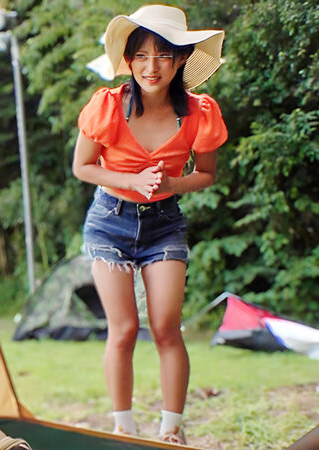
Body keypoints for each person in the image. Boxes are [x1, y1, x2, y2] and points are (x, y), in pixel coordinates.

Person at [72, 5, 227, 444]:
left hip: (164, 224)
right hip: (110, 222)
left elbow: (207, 174)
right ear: (129, 60)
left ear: (180, 59)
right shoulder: (108, 106)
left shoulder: (199, 112)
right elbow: (82, 167)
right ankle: (123, 426)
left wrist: (173, 183)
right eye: (140, 55)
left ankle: (171, 430)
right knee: (122, 329)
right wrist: (132, 180)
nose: (151, 66)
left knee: (165, 327)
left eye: (162, 55)